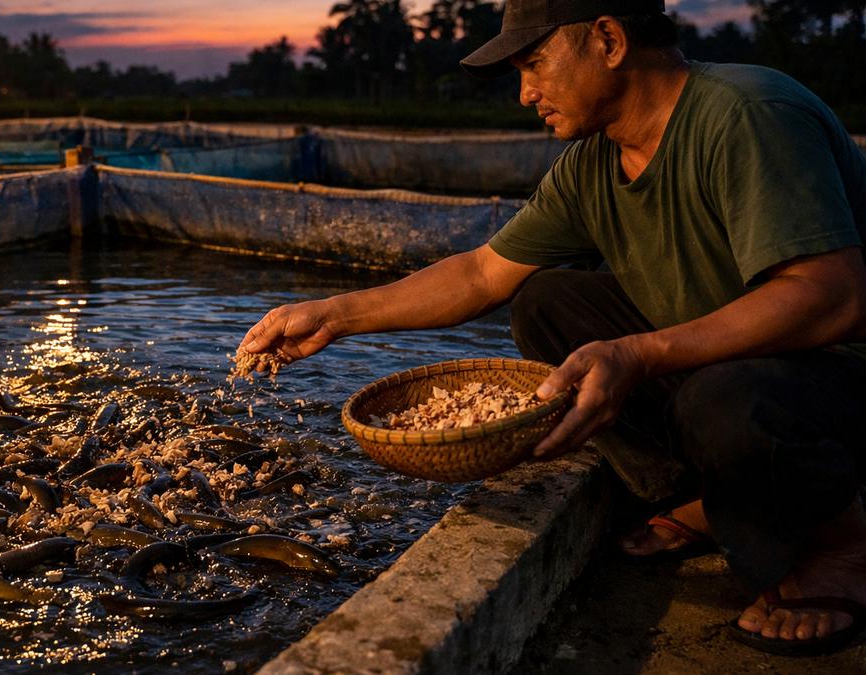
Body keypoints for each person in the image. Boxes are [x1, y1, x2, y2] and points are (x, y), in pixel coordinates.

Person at [238, 0, 866, 657]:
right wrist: (334, 316)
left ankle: (842, 540)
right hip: (730, 365)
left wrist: (641, 351)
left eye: (534, 64)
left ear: (609, 39)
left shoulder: (747, 114)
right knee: (545, 302)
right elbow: (483, 273)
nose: (524, 94)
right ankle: (708, 497)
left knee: (728, 401)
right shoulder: (594, 161)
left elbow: (833, 296)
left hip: (838, 373)